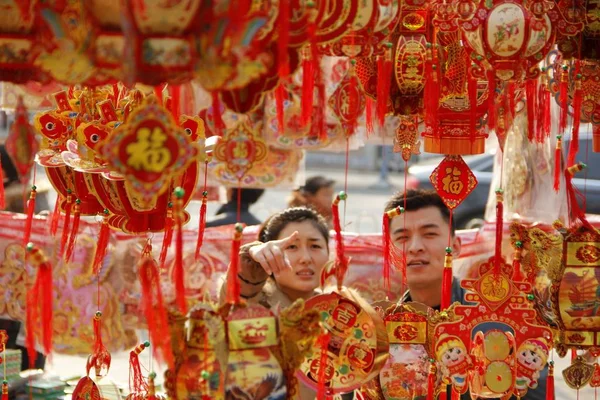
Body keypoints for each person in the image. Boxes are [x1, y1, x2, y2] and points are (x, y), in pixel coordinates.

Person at [384, 189, 547, 399]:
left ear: (456, 246)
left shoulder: (497, 322)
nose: (415, 247)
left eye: (430, 234)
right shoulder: (381, 328)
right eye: (403, 237)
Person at [220, 207, 356, 399]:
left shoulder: (343, 314)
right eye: (291, 247)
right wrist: (251, 258)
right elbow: (238, 293)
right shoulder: (254, 303)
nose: (306, 258)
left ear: (329, 254)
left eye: (315, 246)